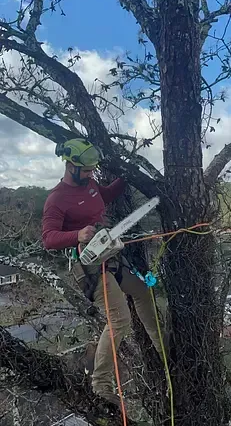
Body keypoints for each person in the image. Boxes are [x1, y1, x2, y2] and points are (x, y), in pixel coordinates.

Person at [42, 138, 162, 405]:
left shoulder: (92, 185)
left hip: (109, 256)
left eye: (92, 169)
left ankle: (163, 348)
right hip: (88, 266)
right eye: (85, 170)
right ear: (70, 165)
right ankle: (101, 385)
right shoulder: (57, 198)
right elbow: (48, 238)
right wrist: (77, 234)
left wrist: (126, 176)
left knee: (143, 293)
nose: (90, 174)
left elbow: (105, 195)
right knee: (120, 320)